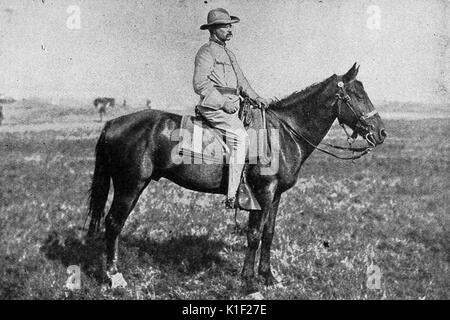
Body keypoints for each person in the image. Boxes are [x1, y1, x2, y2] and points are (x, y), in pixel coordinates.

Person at [193, 8, 270, 209]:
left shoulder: (229, 53)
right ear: (213, 29)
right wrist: (222, 102)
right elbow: (200, 84)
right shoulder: (206, 51)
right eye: (225, 26)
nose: (229, 30)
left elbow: (241, 82)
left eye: (230, 26)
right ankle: (233, 195)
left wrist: (256, 97)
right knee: (241, 138)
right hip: (214, 107)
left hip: (232, 108)